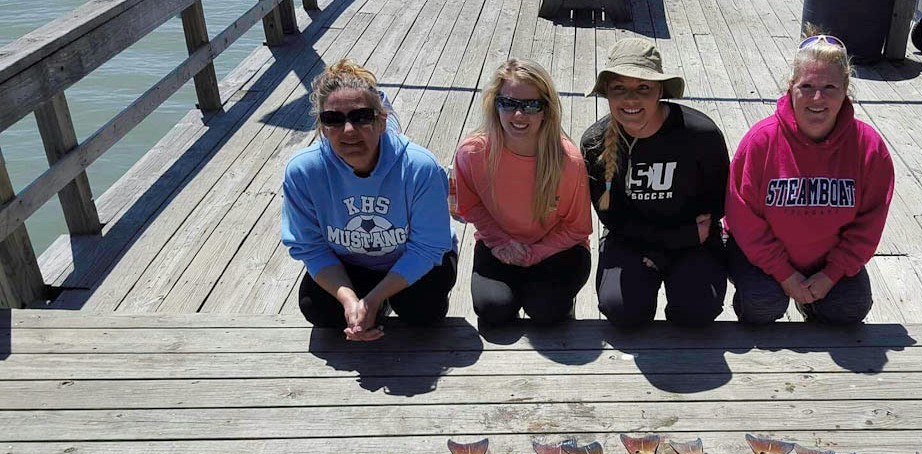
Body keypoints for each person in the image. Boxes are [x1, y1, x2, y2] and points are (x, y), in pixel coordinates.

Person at [724, 34, 895, 325]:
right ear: (791, 89)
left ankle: (813, 307)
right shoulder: (760, 142)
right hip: (762, 256)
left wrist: (831, 274)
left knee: (851, 307)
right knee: (762, 305)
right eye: (807, 87)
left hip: (826, 257)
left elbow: (869, 224)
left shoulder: (869, 147)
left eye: (830, 87)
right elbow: (742, 219)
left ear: (846, 92)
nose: (818, 98)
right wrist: (784, 274)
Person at [281, 59, 457, 341]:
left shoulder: (420, 167)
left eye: (362, 117)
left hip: (411, 255)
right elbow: (310, 246)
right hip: (350, 260)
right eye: (333, 120)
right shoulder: (303, 171)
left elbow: (428, 246)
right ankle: (369, 299)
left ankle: (383, 298)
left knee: (423, 312)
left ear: (382, 120)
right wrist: (350, 300)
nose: (348, 130)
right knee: (319, 310)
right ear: (322, 126)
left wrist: (373, 300)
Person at [580, 37, 730, 328]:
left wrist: (680, 242)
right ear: (607, 94)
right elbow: (611, 216)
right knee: (623, 312)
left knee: (696, 313)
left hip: (694, 239)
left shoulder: (700, 134)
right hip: (633, 239)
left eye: (643, 88)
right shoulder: (595, 142)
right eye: (619, 89)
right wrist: (663, 246)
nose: (631, 99)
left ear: (660, 91)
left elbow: (717, 202)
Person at [453, 59, 592, 326]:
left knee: (547, 311)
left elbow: (578, 229)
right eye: (509, 103)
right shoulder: (472, 153)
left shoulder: (569, 161)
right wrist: (500, 243)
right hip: (498, 242)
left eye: (531, 105)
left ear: (546, 110)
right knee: (493, 309)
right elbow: (469, 207)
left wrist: (535, 254)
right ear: (495, 104)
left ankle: (555, 300)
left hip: (558, 249)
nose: (519, 115)